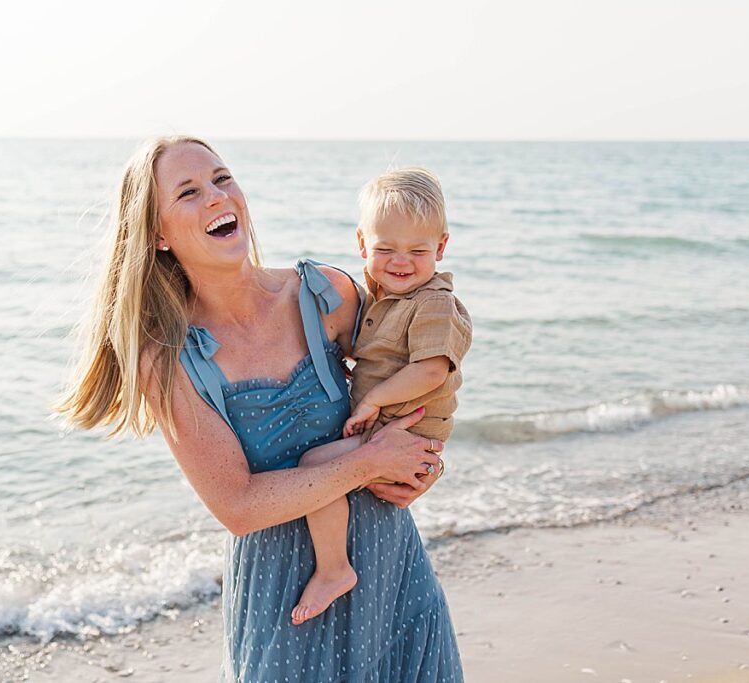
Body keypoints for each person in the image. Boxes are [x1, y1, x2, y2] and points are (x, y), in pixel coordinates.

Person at [55, 135, 464, 681]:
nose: (217, 197)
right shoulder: (172, 359)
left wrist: (426, 463)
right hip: (284, 599)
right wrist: (369, 463)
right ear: (157, 235)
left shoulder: (329, 295)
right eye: (189, 192)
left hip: (391, 571)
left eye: (223, 179)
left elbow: (417, 380)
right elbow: (238, 506)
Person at [290, 168, 472, 626]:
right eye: (385, 249)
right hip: (391, 422)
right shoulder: (380, 295)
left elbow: (431, 368)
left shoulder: (433, 301)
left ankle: (334, 570)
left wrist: (372, 399)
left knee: (315, 468)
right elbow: (376, 352)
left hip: (408, 426)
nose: (400, 262)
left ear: (442, 248)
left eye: (418, 250)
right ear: (361, 244)